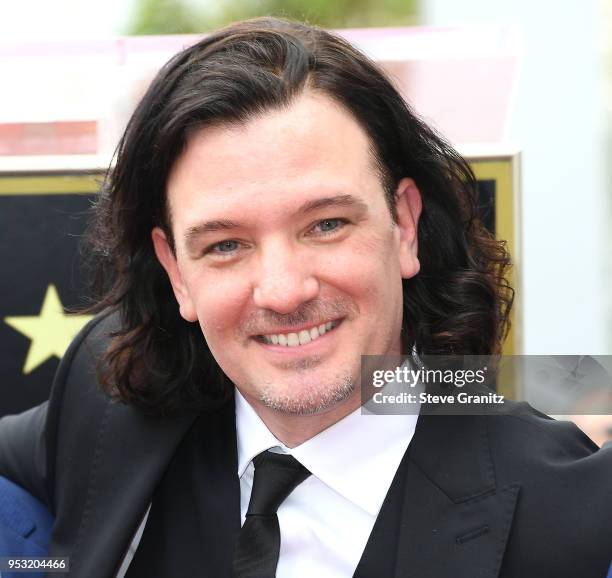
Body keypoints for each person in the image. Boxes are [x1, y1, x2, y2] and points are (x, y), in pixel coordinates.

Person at [0, 16, 611, 578]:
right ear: (175, 271)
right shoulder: (108, 395)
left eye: (325, 225)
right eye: (225, 245)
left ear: (404, 226)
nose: (285, 291)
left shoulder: (570, 516)